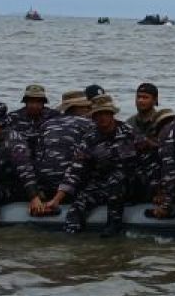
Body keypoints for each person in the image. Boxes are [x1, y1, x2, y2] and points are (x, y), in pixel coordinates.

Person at [61, 94, 144, 235]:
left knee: (117, 178)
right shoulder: (89, 138)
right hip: (102, 183)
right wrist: (58, 198)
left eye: (106, 113)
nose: (102, 117)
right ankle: (72, 240)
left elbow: (147, 159)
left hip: (129, 183)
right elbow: (76, 167)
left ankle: (114, 225)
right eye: (98, 114)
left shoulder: (129, 132)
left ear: (112, 115)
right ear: (93, 117)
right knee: (78, 204)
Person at [28, 90, 95, 216]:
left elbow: (36, 158)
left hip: (45, 188)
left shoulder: (46, 125)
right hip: (71, 189)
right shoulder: (90, 125)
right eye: (87, 107)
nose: (90, 110)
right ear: (80, 108)